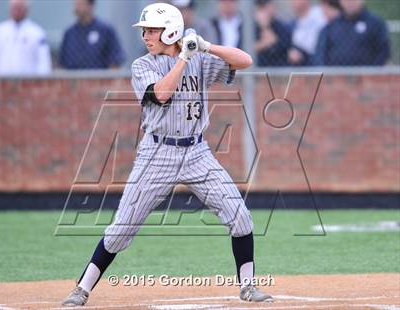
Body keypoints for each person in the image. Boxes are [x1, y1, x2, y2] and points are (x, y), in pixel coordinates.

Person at [62, 2, 272, 307]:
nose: (146, 35)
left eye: (153, 30)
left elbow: (246, 60)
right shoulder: (142, 65)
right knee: (122, 229)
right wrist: (183, 60)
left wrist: (204, 46)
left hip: (197, 151)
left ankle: (248, 287)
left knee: (241, 217)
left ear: (171, 30)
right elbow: (161, 94)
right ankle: (81, 289)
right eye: (145, 30)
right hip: (157, 153)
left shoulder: (198, 57)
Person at [0, 0, 51, 76]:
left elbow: (43, 62)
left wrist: (41, 80)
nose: (16, 11)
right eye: (14, 8)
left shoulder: (37, 33)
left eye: (19, 8)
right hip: (2, 82)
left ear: (26, 10)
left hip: (29, 82)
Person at [314, 0, 390, 66]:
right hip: (337, 78)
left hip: (367, 79)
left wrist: (372, 72)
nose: (349, 2)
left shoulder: (375, 24)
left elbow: (383, 52)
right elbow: (320, 55)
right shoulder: (331, 27)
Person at [59, 0, 126, 69]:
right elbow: (62, 64)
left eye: (80, 4)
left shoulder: (105, 30)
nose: (77, 8)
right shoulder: (69, 33)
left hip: (100, 78)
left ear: (90, 5)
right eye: (76, 4)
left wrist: (110, 78)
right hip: (73, 79)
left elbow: (115, 61)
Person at [288, 0, 327, 66]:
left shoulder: (320, 13)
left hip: (322, 58)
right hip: (305, 63)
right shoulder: (292, 25)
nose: (294, 2)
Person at [254, 0, 291, 66]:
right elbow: (245, 50)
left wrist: (265, 27)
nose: (265, 11)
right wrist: (264, 43)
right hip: (257, 69)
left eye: (267, 6)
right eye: (262, 7)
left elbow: (282, 48)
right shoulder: (249, 27)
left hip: (278, 69)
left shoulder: (281, 26)